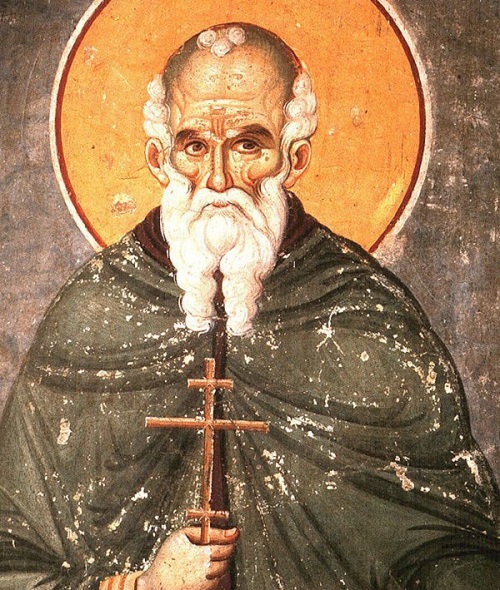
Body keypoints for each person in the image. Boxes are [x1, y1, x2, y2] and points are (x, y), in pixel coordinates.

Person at [0, 22, 499, 590]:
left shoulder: (365, 310)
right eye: (194, 146)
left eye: (247, 145)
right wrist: (142, 587)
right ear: (159, 157)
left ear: (295, 156)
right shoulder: (94, 311)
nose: (218, 179)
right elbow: (11, 561)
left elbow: (451, 545)